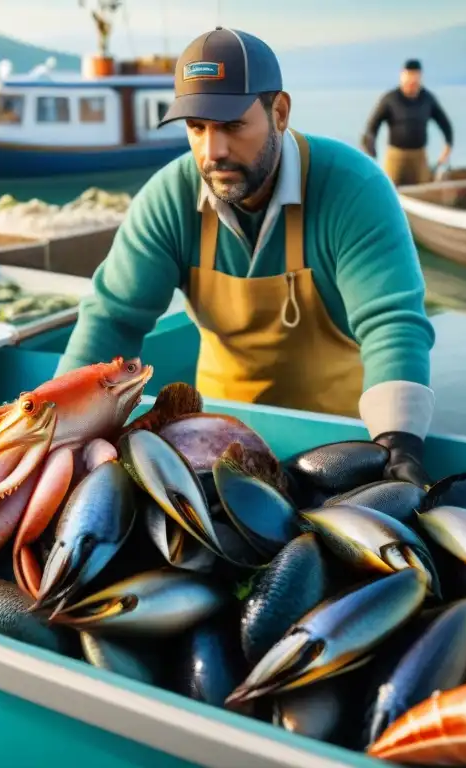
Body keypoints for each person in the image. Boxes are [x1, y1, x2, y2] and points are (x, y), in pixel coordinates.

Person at [56, 27, 437, 486]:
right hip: (215, 445)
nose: (213, 151)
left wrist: (397, 441)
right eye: (196, 128)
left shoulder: (353, 188)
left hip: (344, 443)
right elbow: (113, 320)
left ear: (278, 112)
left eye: (232, 125)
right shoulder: (168, 199)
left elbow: (392, 322)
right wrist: (63, 434)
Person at [362, 59, 454, 186]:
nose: (412, 81)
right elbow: (372, 128)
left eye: (415, 77)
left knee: (424, 190)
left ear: (420, 77)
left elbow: (445, 123)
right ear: (402, 76)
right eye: (409, 77)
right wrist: (371, 152)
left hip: (419, 157)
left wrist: (448, 147)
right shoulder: (390, 99)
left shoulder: (427, 99)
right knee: (390, 191)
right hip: (396, 156)